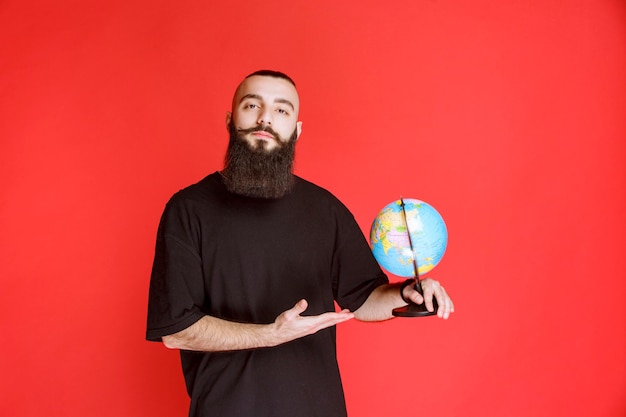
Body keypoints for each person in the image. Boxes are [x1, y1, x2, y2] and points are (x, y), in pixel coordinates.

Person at [146, 70, 454, 417]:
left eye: (282, 110)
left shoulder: (325, 209)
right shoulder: (188, 209)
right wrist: (271, 334)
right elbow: (177, 331)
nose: (265, 117)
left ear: (297, 128)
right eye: (252, 105)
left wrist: (406, 293)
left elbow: (363, 300)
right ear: (231, 120)